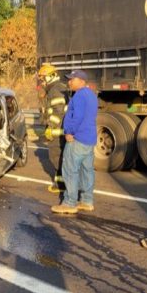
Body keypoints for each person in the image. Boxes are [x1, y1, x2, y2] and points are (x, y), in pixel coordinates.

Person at [51, 69, 98, 215]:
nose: (69, 82)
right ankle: (86, 201)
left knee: (70, 170)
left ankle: (70, 203)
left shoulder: (78, 96)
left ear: (81, 81)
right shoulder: (91, 95)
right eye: (69, 79)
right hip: (89, 139)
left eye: (72, 79)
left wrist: (70, 131)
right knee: (87, 170)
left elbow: (76, 117)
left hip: (77, 138)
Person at [37, 63, 69, 193]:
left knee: (56, 157)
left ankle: (62, 185)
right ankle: (60, 184)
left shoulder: (55, 90)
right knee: (59, 157)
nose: (42, 82)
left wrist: (50, 127)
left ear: (51, 77)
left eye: (43, 78)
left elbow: (58, 111)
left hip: (58, 131)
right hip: (61, 130)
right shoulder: (57, 88)